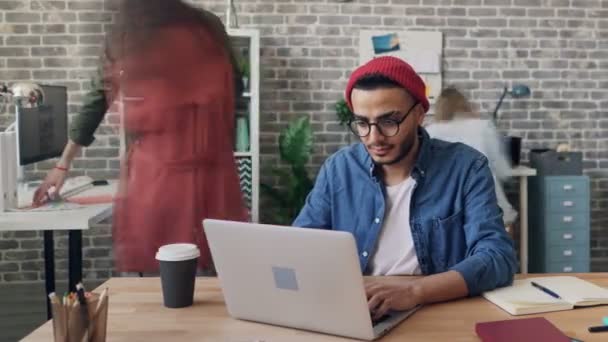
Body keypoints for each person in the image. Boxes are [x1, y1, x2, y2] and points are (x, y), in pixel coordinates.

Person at [293, 56, 517, 320]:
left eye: (389, 121)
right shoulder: (339, 169)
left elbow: (497, 258)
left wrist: (415, 291)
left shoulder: (466, 167)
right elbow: (300, 247)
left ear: (420, 114)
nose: (374, 138)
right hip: (360, 309)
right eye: (362, 123)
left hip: (438, 309)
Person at [34, 0, 247, 273]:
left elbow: (97, 99)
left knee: (161, 272)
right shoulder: (206, 26)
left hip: (160, 173)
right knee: (217, 267)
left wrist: (63, 164)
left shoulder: (125, 34)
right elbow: (236, 89)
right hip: (210, 168)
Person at [425, 87, 518, 227]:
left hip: (444, 213)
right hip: (484, 208)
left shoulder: (430, 132)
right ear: (465, 105)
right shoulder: (482, 127)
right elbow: (503, 171)